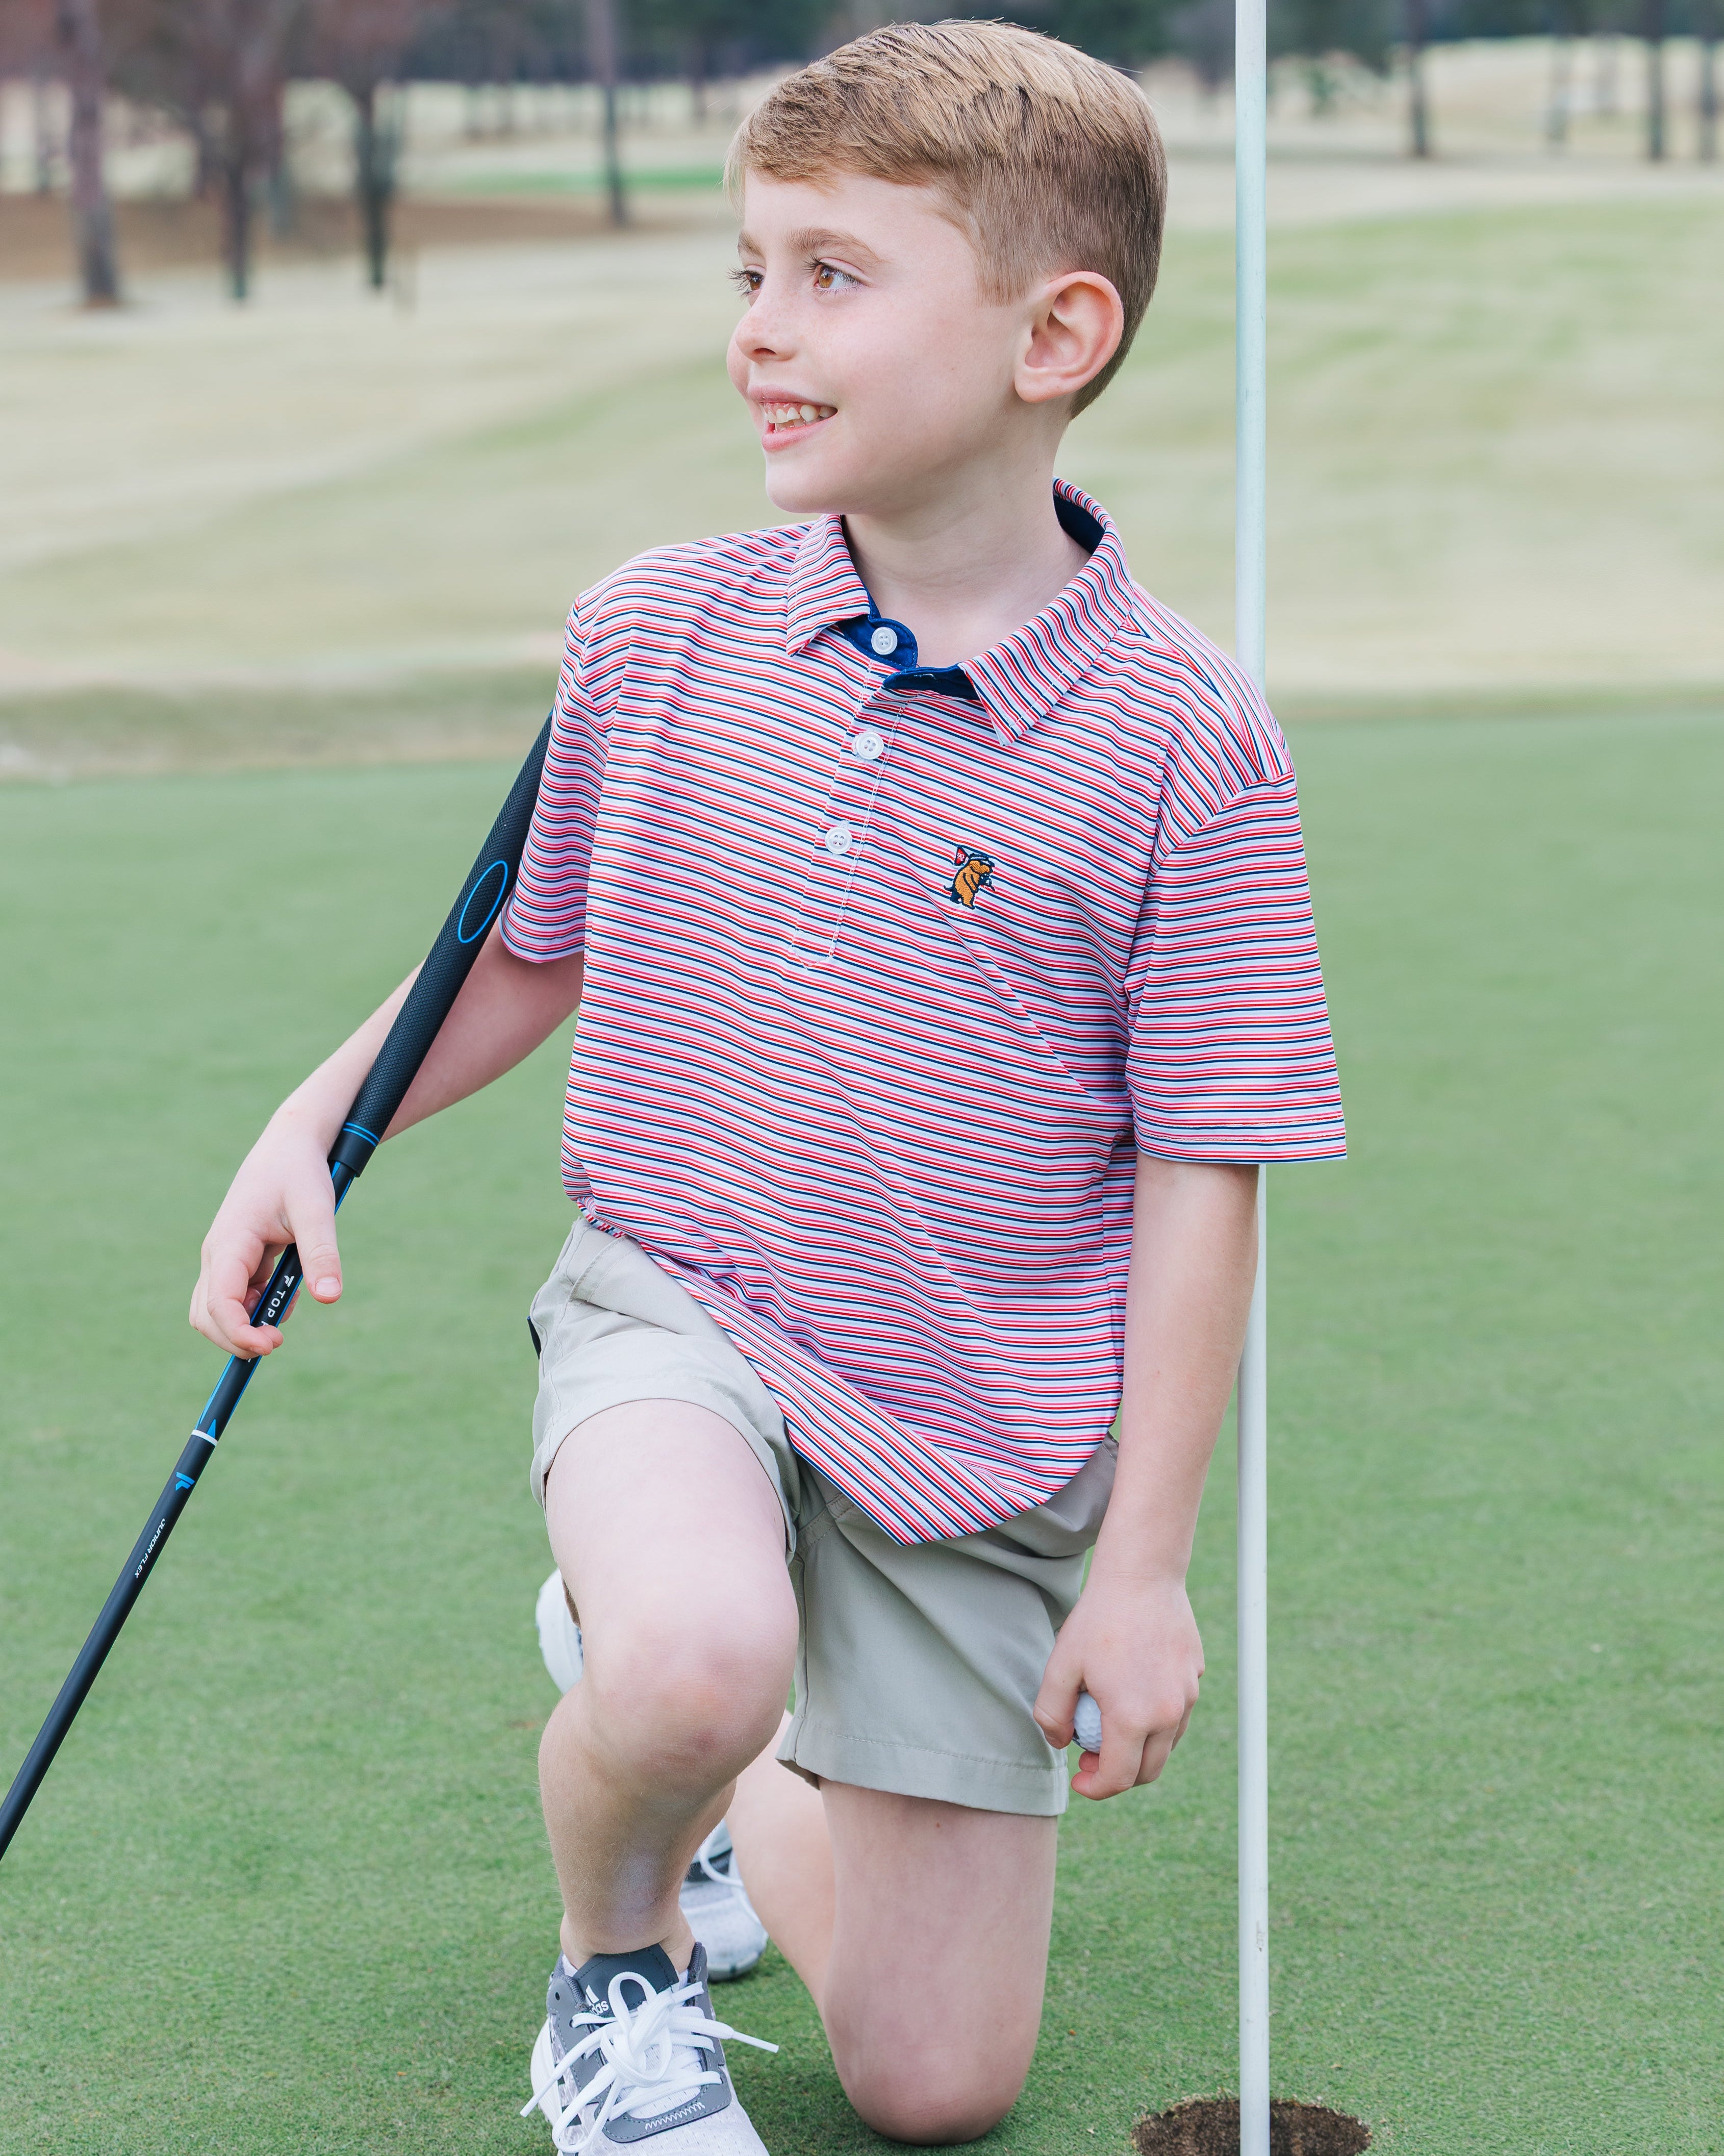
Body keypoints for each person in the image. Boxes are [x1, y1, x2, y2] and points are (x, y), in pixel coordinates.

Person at [190, 20, 1344, 2152]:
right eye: (748, 271)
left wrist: (1144, 1567)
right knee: (700, 1650)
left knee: (933, 2083)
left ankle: (718, 1778)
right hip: (684, 1299)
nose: (757, 329)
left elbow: (1206, 1164)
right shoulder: (654, 629)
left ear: (1053, 334)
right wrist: (309, 1124)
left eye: (830, 276)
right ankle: (614, 1962)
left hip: (974, 1432)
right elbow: (528, 945)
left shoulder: (1189, 740)